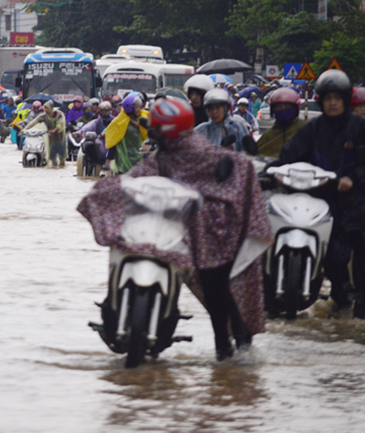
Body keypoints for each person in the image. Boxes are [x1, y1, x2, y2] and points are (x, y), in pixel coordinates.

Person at [77, 98, 272, 361]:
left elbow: (237, 169)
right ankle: (226, 355)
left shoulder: (200, 152)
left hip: (215, 237)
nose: (153, 131)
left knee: (218, 294)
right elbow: (139, 176)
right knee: (216, 296)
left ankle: (232, 351)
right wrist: (108, 188)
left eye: (156, 128)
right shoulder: (164, 155)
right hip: (177, 229)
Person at [276, 69, 365, 317]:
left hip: (356, 204)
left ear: (346, 100)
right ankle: (339, 294)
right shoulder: (312, 128)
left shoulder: (359, 127)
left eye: (337, 98)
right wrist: (273, 171)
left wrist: (353, 178)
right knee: (333, 259)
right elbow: (289, 155)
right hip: (323, 203)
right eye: (328, 98)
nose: (333, 103)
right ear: (321, 100)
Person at [104, 93, 149, 174]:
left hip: (139, 153)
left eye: (139, 106)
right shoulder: (119, 121)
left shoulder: (143, 117)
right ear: (130, 109)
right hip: (124, 156)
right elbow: (113, 139)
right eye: (136, 107)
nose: (139, 109)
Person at [256, 87, 305, 157]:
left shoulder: (305, 130)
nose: (283, 108)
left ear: (296, 109)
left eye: (287, 106)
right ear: (273, 110)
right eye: (279, 106)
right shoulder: (268, 135)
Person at [20, 100, 67, 167]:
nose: (46, 110)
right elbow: (33, 122)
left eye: (47, 108)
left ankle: (61, 167)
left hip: (60, 137)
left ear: (51, 108)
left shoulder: (58, 114)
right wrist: (24, 130)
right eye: (45, 108)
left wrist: (54, 130)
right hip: (50, 137)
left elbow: (60, 124)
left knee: (61, 156)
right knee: (52, 156)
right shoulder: (44, 116)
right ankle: (54, 168)